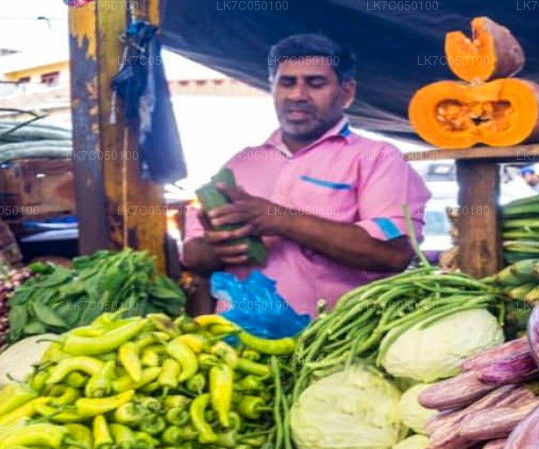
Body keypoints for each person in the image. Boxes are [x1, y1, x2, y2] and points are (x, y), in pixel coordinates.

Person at [182, 34, 430, 316]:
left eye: (315, 83)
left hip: (331, 345)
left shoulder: (378, 159)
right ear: (273, 89)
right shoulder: (242, 162)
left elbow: (394, 254)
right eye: (287, 83)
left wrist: (280, 220)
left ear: (346, 93)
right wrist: (217, 247)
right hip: (238, 345)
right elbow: (193, 256)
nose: (298, 95)